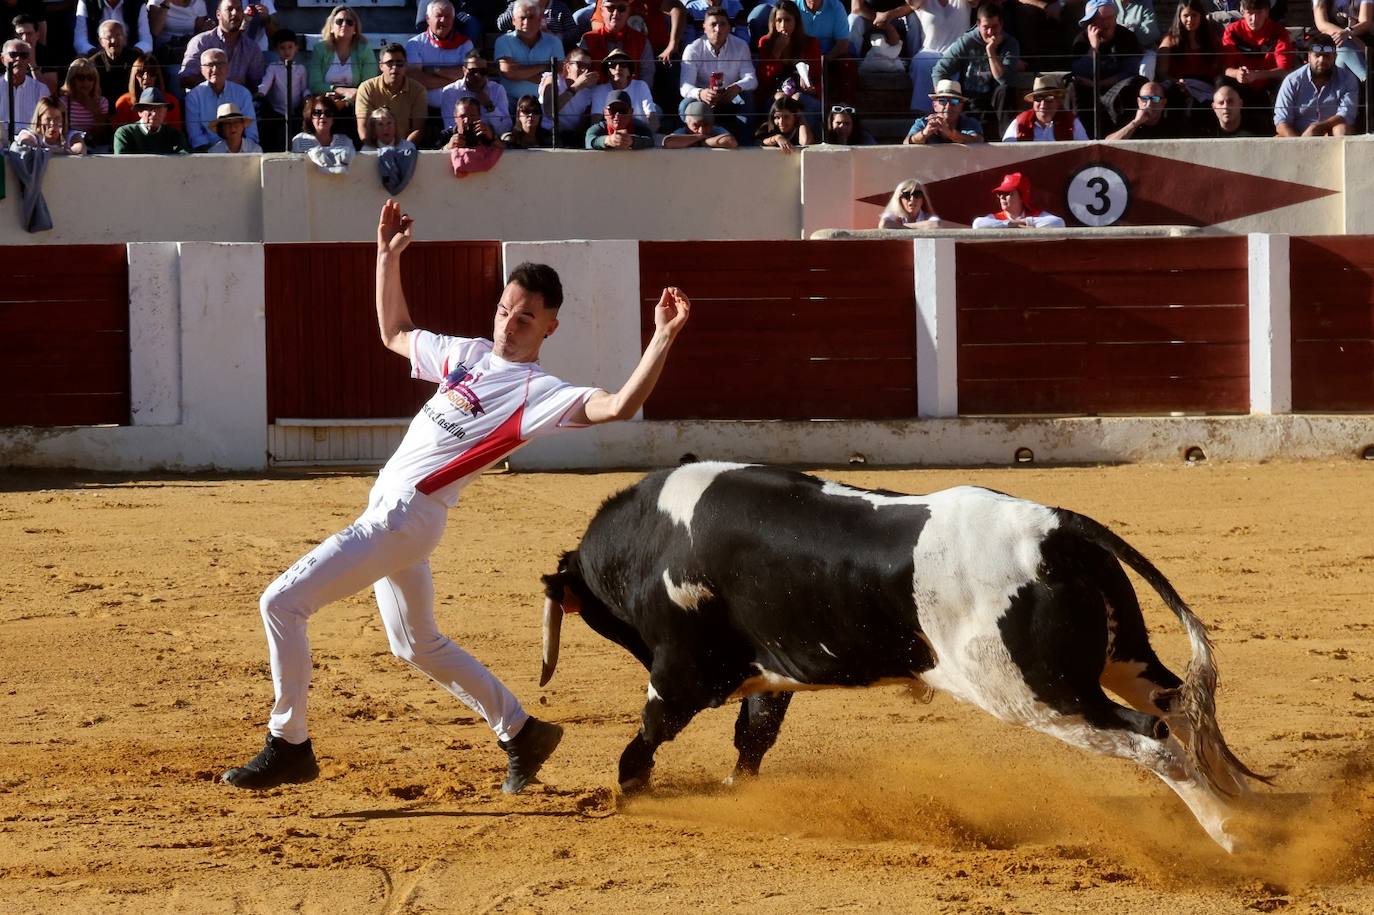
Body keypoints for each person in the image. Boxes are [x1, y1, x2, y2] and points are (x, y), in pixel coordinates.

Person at [220, 199, 691, 794]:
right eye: (504, 310)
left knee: (280, 603)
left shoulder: (538, 392)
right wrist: (385, 258)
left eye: (524, 319)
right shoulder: (465, 355)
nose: (508, 323)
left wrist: (662, 337)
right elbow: (394, 332)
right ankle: (520, 730)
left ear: (550, 327)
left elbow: (618, 406)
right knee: (415, 642)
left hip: (406, 517)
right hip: (393, 514)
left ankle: (289, 743)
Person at [930, 1, 1020, 118]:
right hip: (973, 97)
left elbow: (1004, 80)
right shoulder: (967, 41)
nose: (990, 32)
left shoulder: (1010, 43)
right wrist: (943, 101)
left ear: (1001, 24)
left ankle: (1007, 136)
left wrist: (991, 51)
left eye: (994, 27)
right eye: (986, 27)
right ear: (978, 24)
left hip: (998, 98)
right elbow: (939, 71)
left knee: (1006, 91)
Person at [679, 5, 756, 140]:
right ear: (704, 27)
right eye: (713, 24)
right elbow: (685, 86)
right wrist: (701, 93)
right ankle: (693, 142)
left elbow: (751, 79)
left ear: (729, 27)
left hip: (730, 97)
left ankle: (745, 145)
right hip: (705, 101)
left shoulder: (741, 46)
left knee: (747, 98)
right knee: (685, 105)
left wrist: (737, 87)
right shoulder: (693, 49)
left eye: (722, 24)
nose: (718, 29)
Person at [1070, 0, 1144, 134]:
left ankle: (1123, 134)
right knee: (1075, 87)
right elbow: (1079, 72)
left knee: (1136, 82)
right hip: (1088, 88)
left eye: (1109, 18)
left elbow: (1130, 72)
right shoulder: (1081, 40)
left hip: (1115, 85)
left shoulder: (1127, 37)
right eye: (1099, 19)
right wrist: (1093, 48)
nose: (1105, 23)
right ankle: (1085, 136)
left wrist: (1098, 84)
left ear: (1116, 17)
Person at [1221, 0, 1295, 115]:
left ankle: (1281, 123)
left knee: (1286, 83)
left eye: (1259, 13)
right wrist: (1237, 74)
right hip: (1241, 84)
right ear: (1242, 11)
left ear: (1266, 12)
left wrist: (1257, 74)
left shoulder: (1279, 32)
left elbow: (1284, 70)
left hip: (1269, 84)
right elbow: (1226, 68)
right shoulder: (1232, 31)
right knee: (1221, 83)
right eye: (1250, 13)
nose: (1254, 19)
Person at [1274, 33, 1357, 134]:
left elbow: (1347, 115)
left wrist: (1317, 127)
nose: (1322, 60)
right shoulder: (1292, 81)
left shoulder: (1347, 79)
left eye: (1327, 56)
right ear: (1309, 57)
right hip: (1298, 136)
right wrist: (1299, 144)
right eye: (1317, 56)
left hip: (1331, 134)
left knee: (1342, 128)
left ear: (1335, 56)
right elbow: (1281, 121)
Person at [407, 0, 475, 121]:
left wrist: (433, 70)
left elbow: (468, 75)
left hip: (458, 113)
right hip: (425, 111)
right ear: (428, 19)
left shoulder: (465, 44)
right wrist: (455, 79)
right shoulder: (415, 44)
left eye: (448, 16)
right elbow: (415, 79)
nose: (443, 20)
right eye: (439, 16)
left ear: (453, 19)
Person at [757, 0, 822, 125]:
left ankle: (807, 136)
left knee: (798, 98)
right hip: (775, 94)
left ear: (796, 22)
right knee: (782, 99)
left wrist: (807, 80)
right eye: (779, 20)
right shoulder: (765, 42)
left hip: (803, 95)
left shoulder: (810, 43)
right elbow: (763, 79)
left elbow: (817, 76)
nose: (783, 25)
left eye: (787, 20)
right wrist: (777, 52)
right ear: (773, 22)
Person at [1157, 0, 1225, 113]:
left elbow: (1219, 70)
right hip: (1179, 86)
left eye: (1194, 15)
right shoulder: (1170, 41)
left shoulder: (1212, 40)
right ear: (1179, 17)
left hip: (1206, 87)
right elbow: (1162, 73)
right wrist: (1176, 83)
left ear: (1201, 17)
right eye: (1186, 16)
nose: (1190, 20)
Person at [180, 0, 265, 90]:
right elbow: (186, 78)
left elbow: (257, 83)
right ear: (218, 14)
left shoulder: (252, 48)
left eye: (238, 9)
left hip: (237, 99)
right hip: (204, 98)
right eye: (229, 9)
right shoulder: (201, 42)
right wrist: (220, 84)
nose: (235, 13)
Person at [496, 0, 564, 110]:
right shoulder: (503, 41)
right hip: (511, 101)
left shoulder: (554, 42)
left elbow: (558, 73)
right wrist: (544, 67)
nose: (526, 23)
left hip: (543, 102)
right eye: (522, 18)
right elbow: (509, 73)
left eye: (531, 17)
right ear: (513, 20)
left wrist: (520, 72)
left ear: (539, 19)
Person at [184, 46, 257, 149]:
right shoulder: (193, 97)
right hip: (208, 154)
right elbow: (195, 136)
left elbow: (251, 132)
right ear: (201, 70)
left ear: (228, 67)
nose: (215, 69)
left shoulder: (242, 93)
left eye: (219, 64)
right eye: (210, 65)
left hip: (240, 151)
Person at [356, 43, 427, 143]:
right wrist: (377, 149)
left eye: (399, 63)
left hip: (405, 148)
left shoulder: (418, 90)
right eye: (389, 63)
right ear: (381, 66)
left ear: (405, 65)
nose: (395, 67)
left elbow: (418, 129)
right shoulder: (367, 88)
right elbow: (363, 128)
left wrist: (404, 148)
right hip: (373, 147)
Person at [907, 0, 971, 109]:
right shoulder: (923, 2)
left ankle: (949, 115)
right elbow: (911, 2)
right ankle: (922, 116)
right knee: (921, 63)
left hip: (957, 53)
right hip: (929, 53)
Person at [256, 28, 307, 149]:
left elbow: (305, 88)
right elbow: (266, 83)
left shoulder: (300, 69)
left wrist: (307, 97)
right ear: (276, 50)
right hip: (276, 110)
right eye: (282, 48)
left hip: (295, 110)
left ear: (296, 48)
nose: (286, 51)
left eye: (290, 47)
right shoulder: (273, 67)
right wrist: (260, 93)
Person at [439, 50, 512, 136]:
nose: (478, 76)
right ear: (464, 70)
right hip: (461, 140)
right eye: (473, 71)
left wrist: (489, 106)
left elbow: (505, 129)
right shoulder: (450, 91)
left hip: (490, 140)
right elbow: (450, 127)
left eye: (483, 72)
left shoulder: (497, 90)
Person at [591, 47, 659, 131]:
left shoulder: (641, 86)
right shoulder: (599, 90)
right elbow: (595, 121)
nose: (618, 68)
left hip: (639, 131)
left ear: (629, 71)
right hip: (611, 132)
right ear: (608, 71)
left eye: (623, 65)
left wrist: (648, 138)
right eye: (612, 64)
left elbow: (651, 116)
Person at [1003, 73, 1089, 139]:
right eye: (1039, 98)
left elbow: (1085, 153)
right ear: (1033, 102)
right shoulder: (1019, 123)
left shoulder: (1072, 123)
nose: (1043, 103)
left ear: (1058, 101)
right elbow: (1007, 154)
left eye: (1049, 98)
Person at [540, 46, 598, 142]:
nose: (585, 70)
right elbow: (549, 111)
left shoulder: (588, 93)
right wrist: (575, 87)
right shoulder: (553, 80)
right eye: (580, 65)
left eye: (587, 66)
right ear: (567, 66)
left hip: (570, 137)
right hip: (548, 134)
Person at [114, 51, 183, 129]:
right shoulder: (123, 103)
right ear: (134, 76)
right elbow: (119, 135)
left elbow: (176, 135)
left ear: (157, 76)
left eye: (152, 73)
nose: (146, 77)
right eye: (140, 73)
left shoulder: (171, 102)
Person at [971, 171, 1066, 227]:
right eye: (1000, 193)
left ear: (1022, 197)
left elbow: (1059, 223)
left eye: (1007, 193)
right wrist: (1010, 224)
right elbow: (977, 224)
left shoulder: (1036, 215)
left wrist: (1023, 222)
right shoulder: (996, 217)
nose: (1001, 197)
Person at [112, 84, 190, 151]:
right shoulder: (125, 134)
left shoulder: (175, 135)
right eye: (150, 108)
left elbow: (184, 162)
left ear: (165, 112)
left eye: (159, 108)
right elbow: (122, 165)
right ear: (140, 112)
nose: (154, 113)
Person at [904, 77, 984, 142]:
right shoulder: (924, 122)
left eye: (954, 101)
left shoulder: (969, 123)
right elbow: (907, 143)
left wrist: (950, 133)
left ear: (961, 106)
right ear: (934, 105)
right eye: (942, 101)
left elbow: (978, 140)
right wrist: (924, 133)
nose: (948, 106)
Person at [60, 55, 113, 147]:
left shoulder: (102, 102)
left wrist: (96, 112)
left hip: (94, 149)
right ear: (72, 80)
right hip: (70, 147)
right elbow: (61, 133)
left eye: (90, 78)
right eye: (81, 78)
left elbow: (101, 137)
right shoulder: (63, 102)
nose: (86, 82)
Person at [1313, 0, 1371, 82]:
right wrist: (1346, 36)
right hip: (1331, 37)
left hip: (1358, 36)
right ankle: (1367, 78)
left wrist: (1348, 32)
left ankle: (1361, 83)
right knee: (1341, 43)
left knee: (1341, 59)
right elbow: (1322, 24)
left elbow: (1365, 22)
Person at [88, 18, 141, 106]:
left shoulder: (135, 58)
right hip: (103, 107)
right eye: (109, 37)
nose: (113, 41)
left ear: (125, 38)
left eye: (118, 36)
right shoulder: (93, 63)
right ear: (101, 41)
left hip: (131, 105)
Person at [0, 38, 45, 142]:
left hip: (29, 145)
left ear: (29, 60)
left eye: (23, 55)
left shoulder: (40, 89)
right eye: (13, 54)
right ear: (2, 59)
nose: (18, 59)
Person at [74, 0, 152, 57]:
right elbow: (80, 41)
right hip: (96, 61)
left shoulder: (137, 4)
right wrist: (97, 54)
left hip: (129, 60)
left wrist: (131, 54)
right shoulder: (87, 2)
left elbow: (146, 41)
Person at [585, 86, 655, 147]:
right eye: (613, 110)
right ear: (605, 112)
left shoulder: (641, 128)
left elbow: (650, 141)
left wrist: (632, 141)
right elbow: (590, 141)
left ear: (631, 112)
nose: (617, 115)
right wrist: (607, 140)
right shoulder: (597, 129)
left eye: (623, 110)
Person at [15, 95, 88, 152]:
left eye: (57, 119)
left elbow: (80, 148)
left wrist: (58, 152)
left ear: (63, 119)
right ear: (39, 120)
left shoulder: (70, 136)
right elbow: (26, 144)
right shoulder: (31, 135)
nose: (52, 123)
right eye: (48, 119)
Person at [1106, 78, 1176, 137]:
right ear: (1139, 102)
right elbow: (1106, 144)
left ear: (1163, 103)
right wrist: (1135, 123)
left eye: (1155, 99)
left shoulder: (1172, 124)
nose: (1149, 104)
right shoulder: (1127, 120)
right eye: (1144, 98)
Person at [662, 96, 739, 144]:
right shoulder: (683, 131)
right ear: (686, 124)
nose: (701, 131)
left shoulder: (716, 130)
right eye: (696, 125)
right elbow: (668, 142)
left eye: (706, 125)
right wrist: (698, 138)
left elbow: (730, 141)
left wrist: (704, 142)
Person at [438, 93, 504, 147]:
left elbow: (508, 152)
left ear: (479, 116)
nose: (467, 120)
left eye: (472, 116)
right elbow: (431, 156)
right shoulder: (446, 135)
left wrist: (492, 138)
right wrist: (448, 147)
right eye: (462, 116)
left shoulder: (486, 134)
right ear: (455, 117)